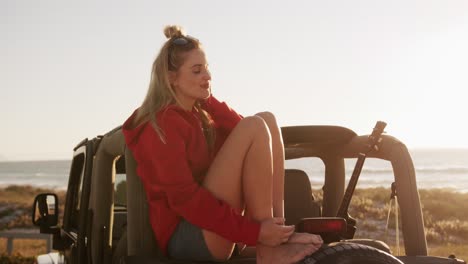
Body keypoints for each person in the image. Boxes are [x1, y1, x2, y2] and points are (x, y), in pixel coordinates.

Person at [122, 25, 323, 264]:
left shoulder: (199, 115)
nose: (207, 76)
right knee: (255, 125)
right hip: (186, 237)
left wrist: (207, 101)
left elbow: (250, 135)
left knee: (266, 119)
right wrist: (255, 232)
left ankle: (277, 235)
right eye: (197, 71)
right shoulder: (160, 125)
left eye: (207, 69)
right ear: (171, 78)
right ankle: (267, 246)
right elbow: (186, 200)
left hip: (214, 228)